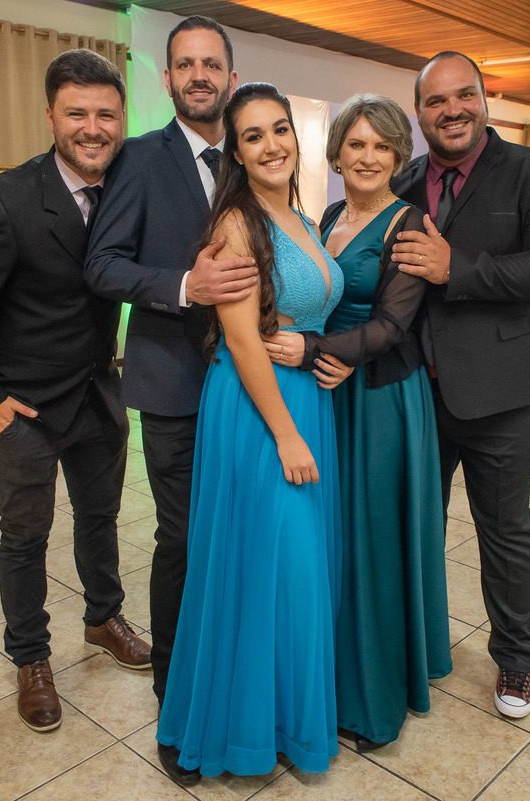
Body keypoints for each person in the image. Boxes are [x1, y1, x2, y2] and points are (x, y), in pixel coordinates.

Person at [0, 50, 151, 734]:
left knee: (100, 519)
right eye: (78, 113)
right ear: (51, 116)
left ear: (122, 120)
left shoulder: (126, 186)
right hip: (23, 408)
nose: (93, 127)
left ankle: (102, 616)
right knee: (25, 536)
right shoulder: (2, 199)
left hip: (97, 395)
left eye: (106, 114)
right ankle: (30, 658)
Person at [84, 19, 260, 781]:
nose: (199, 75)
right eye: (185, 64)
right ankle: (176, 700)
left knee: (241, 537)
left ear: (229, 72)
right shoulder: (140, 160)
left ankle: (240, 685)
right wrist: (186, 287)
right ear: (167, 78)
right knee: (184, 541)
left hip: (253, 380)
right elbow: (104, 265)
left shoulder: (255, 155)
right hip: (176, 383)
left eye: (211, 63)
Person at [155, 82, 347, 779]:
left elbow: (305, 310)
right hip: (261, 412)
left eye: (280, 130)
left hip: (305, 401)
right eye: (254, 136)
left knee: (290, 573)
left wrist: (318, 347)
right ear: (235, 152)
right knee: (266, 567)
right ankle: (237, 731)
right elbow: (241, 341)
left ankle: (283, 724)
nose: (272, 146)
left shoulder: (298, 214)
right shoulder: (238, 222)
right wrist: (287, 434)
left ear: (297, 137)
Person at [260, 94, 450, 752]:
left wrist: (317, 351)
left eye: (381, 146)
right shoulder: (331, 214)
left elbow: (397, 324)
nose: (367, 157)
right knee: (327, 541)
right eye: (355, 145)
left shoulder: (411, 224)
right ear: (336, 153)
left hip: (379, 401)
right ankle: (328, 678)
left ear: (398, 156)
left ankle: (371, 701)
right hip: (327, 392)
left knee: (370, 543)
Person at [390, 52, 530, 719]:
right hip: (415, 393)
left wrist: (456, 268)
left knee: (505, 530)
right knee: (417, 527)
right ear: (419, 113)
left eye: (463, 95)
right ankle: (417, 644)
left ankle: (516, 659)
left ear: (484, 99)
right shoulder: (403, 179)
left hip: (499, 391)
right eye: (436, 102)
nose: (452, 110)